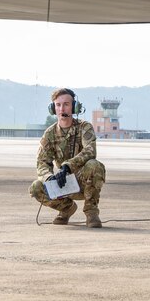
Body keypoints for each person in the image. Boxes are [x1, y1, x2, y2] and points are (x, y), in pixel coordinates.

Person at [29, 88, 106, 228]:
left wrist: (67, 166)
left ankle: (91, 212)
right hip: (63, 183)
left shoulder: (84, 127)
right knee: (36, 187)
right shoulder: (49, 134)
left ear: (74, 106)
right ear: (53, 108)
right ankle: (66, 209)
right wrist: (48, 177)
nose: (61, 108)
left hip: (84, 181)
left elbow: (90, 150)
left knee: (95, 165)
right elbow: (42, 162)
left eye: (66, 104)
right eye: (58, 105)